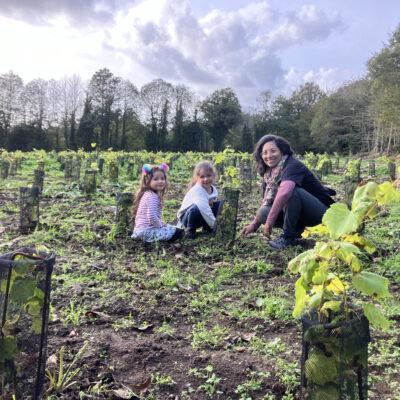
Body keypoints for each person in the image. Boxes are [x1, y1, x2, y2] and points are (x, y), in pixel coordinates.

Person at [241, 135, 335, 249]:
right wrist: (255, 224)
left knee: (291, 192)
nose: (269, 155)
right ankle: (296, 233)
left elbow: (285, 192)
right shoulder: (269, 173)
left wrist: (269, 223)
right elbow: (266, 200)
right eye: (264, 152)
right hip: (300, 212)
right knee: (263, 212)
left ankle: (288, 237)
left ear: (282, 151)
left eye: (273, 151)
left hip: (320, 211)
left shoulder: (292, 165)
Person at [131, 163, 183, 243]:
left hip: (140, 230)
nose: (160, 181)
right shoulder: (152, 196)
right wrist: (161, 226)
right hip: (147, 231)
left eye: (162, 179)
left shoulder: (147, 193)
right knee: (178, 232)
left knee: (172, 228)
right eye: (156, 179)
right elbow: (152, 217)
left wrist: (163, 224)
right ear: (148, 181)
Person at [177, 161, 222, 239]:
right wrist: (216, 227)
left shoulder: (213, 190)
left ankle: (207, 227)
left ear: (214, 176)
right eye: (202, 177)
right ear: (197, 178)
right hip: (186, 218)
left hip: (202, 215)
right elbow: (205, 210)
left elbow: (210, 207)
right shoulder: (198, 190)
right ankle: (190, 230)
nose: (206, 179)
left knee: (219, 204)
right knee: (195, 208)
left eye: (208, 175)